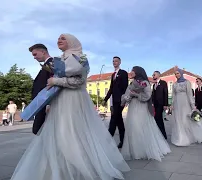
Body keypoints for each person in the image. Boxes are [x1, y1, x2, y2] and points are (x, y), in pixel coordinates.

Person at [10, 33, 130, 180]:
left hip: (74, 99)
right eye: (58, 38)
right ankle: (61, 165)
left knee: (73, 131)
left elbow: (79, 81)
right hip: (60, 100)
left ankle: (79, 165)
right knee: (59, 132)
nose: (58, 40)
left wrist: (56, 81)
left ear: (72, 41)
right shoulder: (58, 59)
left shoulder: (82, 57)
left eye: (63, 38)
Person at [121, 66, 171, 161]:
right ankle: (135, 150)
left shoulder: (145, 83)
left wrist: (135, 94)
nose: (131, 72)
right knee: (133, 126)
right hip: (132, 107)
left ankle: (144, 149)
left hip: (141, 107)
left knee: (140, 125)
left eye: (133, 70)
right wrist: (127, 97)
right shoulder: (131, 83)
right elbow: (127, 94)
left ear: (138, 72)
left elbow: (147, 96)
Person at [170, 67, 202, 146]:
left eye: (178, 73)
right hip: (177, 104)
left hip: (185, 103)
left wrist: (193, 106)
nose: (176, 75)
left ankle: (191, 136)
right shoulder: (174, 84)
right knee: (178, 120)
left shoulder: (187, 82)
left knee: (186, 120)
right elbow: (173, 95)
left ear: (181, 74)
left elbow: (190, 95)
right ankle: (181, 137)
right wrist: (172, 104)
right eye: (175, 74)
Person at [103, 56, 129, 148]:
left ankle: (107, 140)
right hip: (114, 100)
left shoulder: (123, 73)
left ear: (120, 62)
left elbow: (126, 87)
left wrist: (125, 100)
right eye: (113, 61)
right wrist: (105, 99)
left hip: (120, 100)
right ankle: (123, 140)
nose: (114, 62)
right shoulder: (113, 75)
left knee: (114, 118)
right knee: (119, 120)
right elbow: (111, 88)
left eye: (116, 61)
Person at [28, 44, 53, 134]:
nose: (34, 57)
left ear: (43, 52)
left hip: (44, 103)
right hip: (41, 103)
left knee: (38, 130)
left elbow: (54, 85)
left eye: (35, 54)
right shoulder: (47, 64)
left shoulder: (51, 63)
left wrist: (49, 104)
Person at [151, 70, 168, 139]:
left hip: (161, 104)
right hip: (155, 104)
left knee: (158, 118)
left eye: (154, 74)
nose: (153, 76)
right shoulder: (154, 84)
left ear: (158, 75)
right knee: (158, 119)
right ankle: (161, 135)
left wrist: (165, 104)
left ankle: (163, 135)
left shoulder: (163, 83)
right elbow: (153, 95)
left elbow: (165, 93)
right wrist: (152, 103)